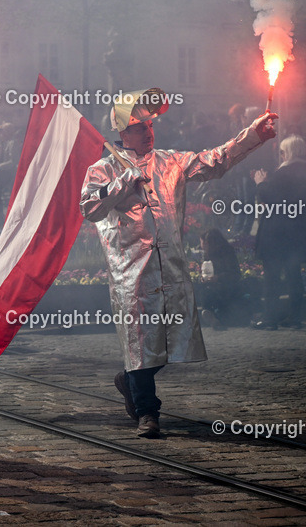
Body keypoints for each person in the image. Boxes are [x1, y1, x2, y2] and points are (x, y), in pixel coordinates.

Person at [80, 88, 276, 438]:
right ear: (123, 132)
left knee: (170, 341)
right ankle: (148, 413)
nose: (149, 131)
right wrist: (125, 182)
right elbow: (89, 208)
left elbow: (216, 160)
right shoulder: (103, 168)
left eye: (151, 125)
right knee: (141, 343)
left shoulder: (170, 161)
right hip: (132, 274)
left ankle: (128, 379)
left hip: (171, 268)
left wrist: (254, 134)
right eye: (141, 126)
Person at [252, 134, 306, 329]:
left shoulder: (283, 173)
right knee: (294, 276)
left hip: (276, 234)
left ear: (286, 153)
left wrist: (260, 183)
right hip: (297, 232)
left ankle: (270, 319)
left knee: (272, 278)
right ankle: (295, 318)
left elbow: (270, 197)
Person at [198, 228, 249, 330]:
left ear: (207, 242)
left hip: (228, 288)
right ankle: (211, 316)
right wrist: (204, 278)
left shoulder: (227, 253)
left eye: (202, 242)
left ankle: (212, 317)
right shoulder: (208, 254)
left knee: (211, 293)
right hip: (214, 287)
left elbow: (235, 274)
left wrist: (218, 278)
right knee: (204, 290)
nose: (201, 245)